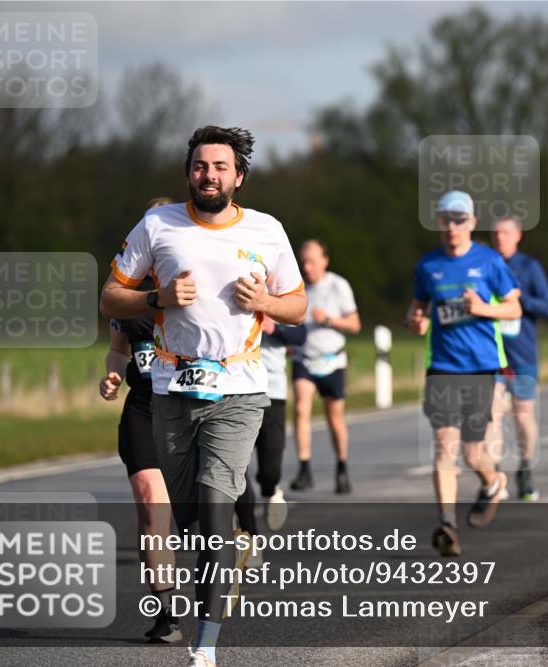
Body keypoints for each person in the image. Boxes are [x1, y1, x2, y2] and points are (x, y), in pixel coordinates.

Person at [99, 126, 306, 667]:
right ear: (187, 172)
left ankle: (206, 645)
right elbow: (110, 297)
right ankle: (215, 563)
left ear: (238, 176)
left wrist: (266, 299)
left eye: (219, 167)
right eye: (199, 166)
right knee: (189, 516)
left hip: (239, 391)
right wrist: (156, 296)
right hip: (170, 389)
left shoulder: (266, 230)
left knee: (215, 500)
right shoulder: (157, 225)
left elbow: (298, 304)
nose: (208, 175)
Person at [408, 190, 520, 558]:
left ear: (472, 222)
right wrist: (415, 320)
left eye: (459, 219)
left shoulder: (489, 262)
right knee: (444, 447)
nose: (452, 226)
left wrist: (484, 308)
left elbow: (514, 309)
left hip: (480, 368)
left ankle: (494, 482)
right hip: (442, 367)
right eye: (445, 219)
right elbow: (417, 310)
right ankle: (447, 524)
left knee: (473, 456)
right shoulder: (428, 266)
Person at [99, 196, 180, 644]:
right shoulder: (124, 292)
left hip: (192, 409)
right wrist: (113, 373)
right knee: (152, 504)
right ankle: (166, 612)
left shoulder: (195, 278)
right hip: (143, 406)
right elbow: (117, 348)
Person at [487, 216, 548, 499]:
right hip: (491, 355)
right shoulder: (485, 265)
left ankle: (525, 467)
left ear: (518, 236)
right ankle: (495, 475)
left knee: (522, 414)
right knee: (490, 413)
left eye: (506, 232)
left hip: (523, 353)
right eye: (496, 233)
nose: (500, 237)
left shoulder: (529, 267)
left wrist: (517, 300)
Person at [289, 240, 361, 494]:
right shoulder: (297, 288)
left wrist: (329, 320)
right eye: (303, 262)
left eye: (312, 261)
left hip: (333, 360)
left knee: (334, 419)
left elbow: (355, 324)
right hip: (304, 359)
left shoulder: (338, 285)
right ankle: (304, 468)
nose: (307, 267)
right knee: (300, 409)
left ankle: (342, 467)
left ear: (324, 261)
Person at [233, 318, 306, 539]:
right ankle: (249, 535)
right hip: (235, 391)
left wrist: (274, 328)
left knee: (270, 469)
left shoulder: (279, 295)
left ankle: (271, 490)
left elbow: (301, 335)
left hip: (272, 391)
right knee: (236, 471)